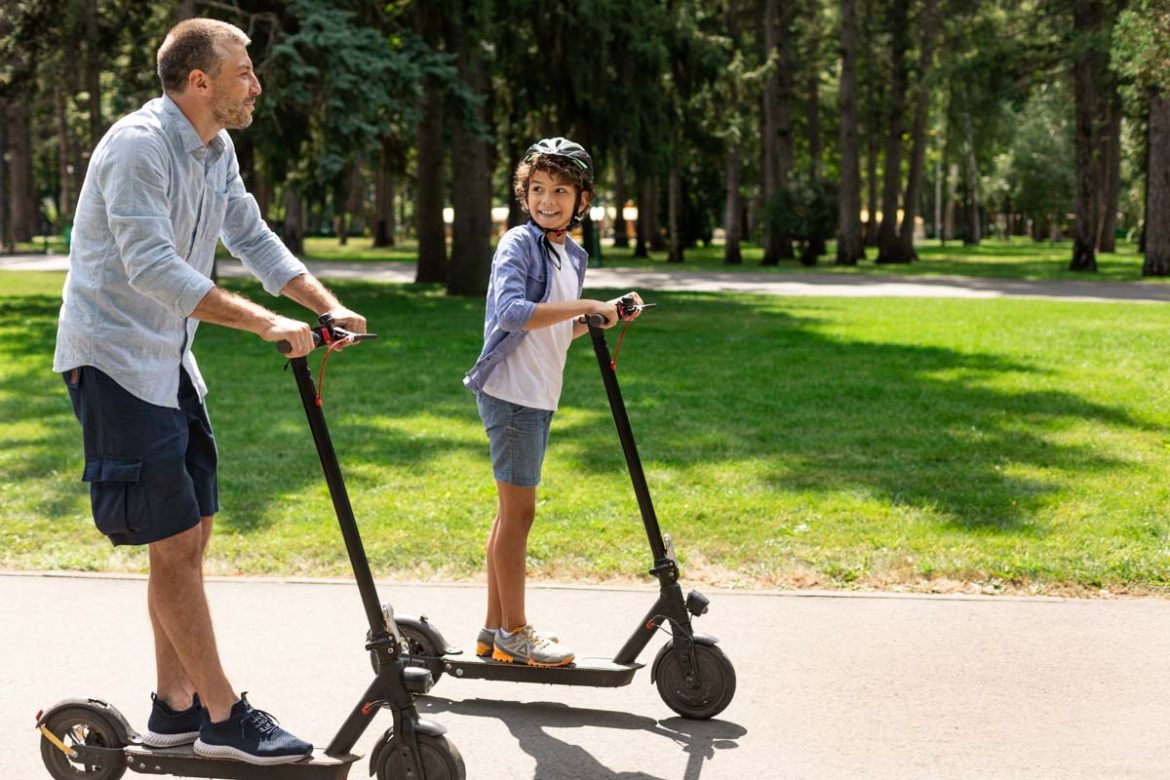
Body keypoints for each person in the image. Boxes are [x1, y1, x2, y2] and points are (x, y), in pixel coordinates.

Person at [52, 18, 364, 765]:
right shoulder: (138, 147)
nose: (255, 84)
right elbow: (153, 267)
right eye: (244, 71)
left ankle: (174, 706)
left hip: (169, 361)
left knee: (189, 537)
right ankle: (224, 715)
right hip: (115, 361)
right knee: (173, 543)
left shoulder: (214, 149)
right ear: (201, 82)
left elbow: (252, 239)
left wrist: (323, 306)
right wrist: (265, 323)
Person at [464, 137, 643, 667]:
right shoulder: (518, 245)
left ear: (581, 199)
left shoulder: (573, 254)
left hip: (538, 394)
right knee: (519, 514)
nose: (548, 200)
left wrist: (601, 315)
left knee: (509, 515)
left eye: (560, 190)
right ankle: (517, 633)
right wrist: (587, 304)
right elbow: (514, 314)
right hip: (512, 394)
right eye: (537, 188)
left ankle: (495, 630)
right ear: (524, 193)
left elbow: (556, 329)